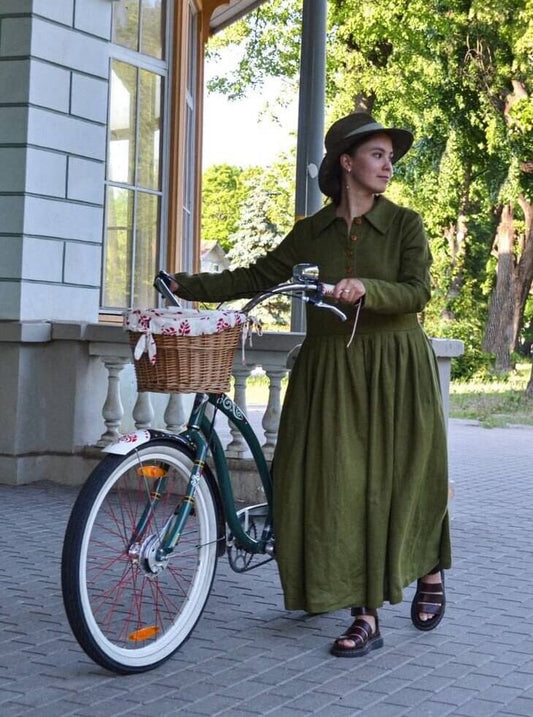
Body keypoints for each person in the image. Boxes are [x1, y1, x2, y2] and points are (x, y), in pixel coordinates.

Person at [170, 112, 451, 657]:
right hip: (329, 370)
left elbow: (417, 291)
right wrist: (189, 284)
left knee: (403, 479)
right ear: (346, 162)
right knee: (339, 487)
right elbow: (253, 277)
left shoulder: (404, 225)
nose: (388, 165)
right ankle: (364, 613)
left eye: (390, 157)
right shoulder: (310, 233)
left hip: (395, 367)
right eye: (377, 155)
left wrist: (366, 287)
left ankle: (429, 569)